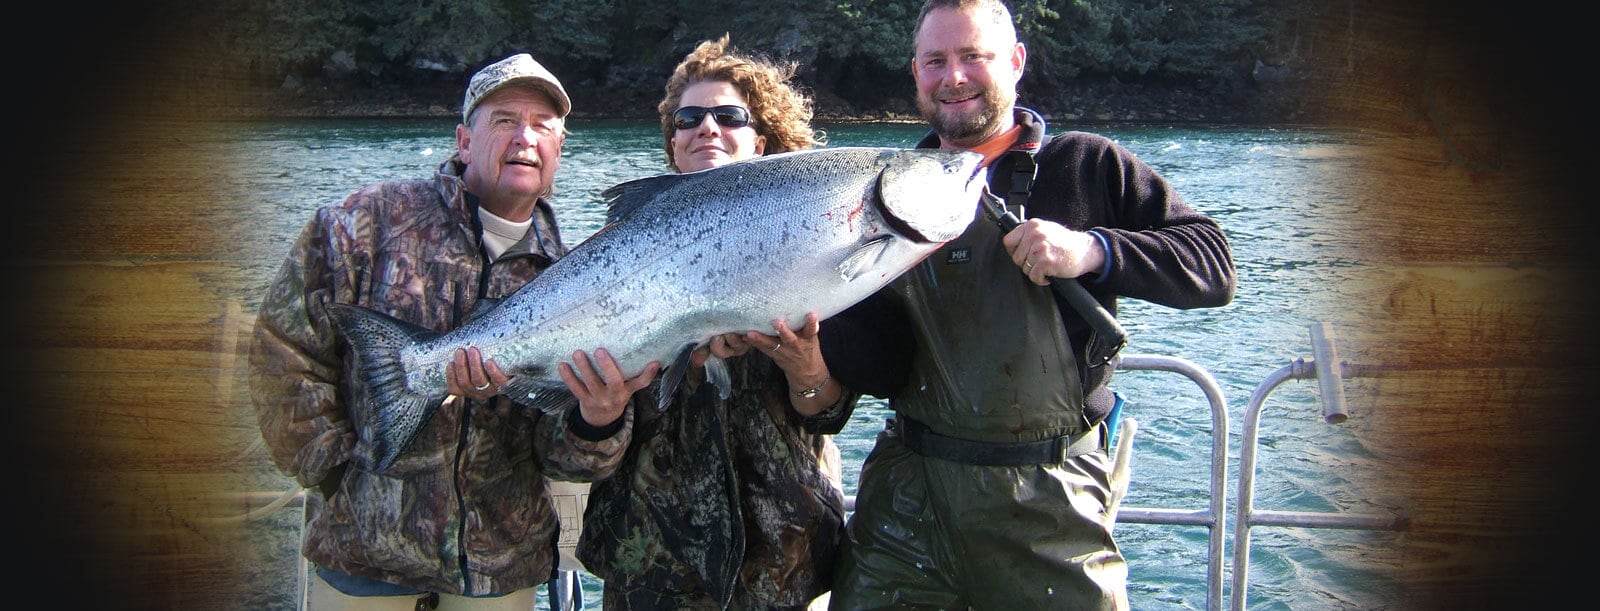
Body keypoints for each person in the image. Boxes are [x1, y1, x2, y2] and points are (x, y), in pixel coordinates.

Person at [811, 1, 1238, 609]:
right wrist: (802, 343)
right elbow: (877, 364)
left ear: (1015, 63)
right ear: (915, 74)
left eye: (973, 57)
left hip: (1051, 501)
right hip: (907, 500)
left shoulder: (1087, 165)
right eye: (936, 61)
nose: (953, 76)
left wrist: (1093, 250)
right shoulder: (874, 195)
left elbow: (1213, 263)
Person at [250, 53, 649, 610]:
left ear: (560, 149)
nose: (524, 138)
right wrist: (339, 475)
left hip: (499, 570)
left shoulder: (580, 273)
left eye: (543, 126)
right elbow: (282, 351)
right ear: (464, 140)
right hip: (364, 558)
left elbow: (560, 455)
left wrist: (598, 418)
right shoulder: (361, 222)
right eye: (504, 120)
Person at [574, 35, 905, 610]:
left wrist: (805, 367)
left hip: (784, 569)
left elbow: (827, 414)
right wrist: (597, 416)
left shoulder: (828, 249)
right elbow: (570, 454)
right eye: (688, 118)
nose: (706, 127)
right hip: (648, 571)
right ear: (672, 141)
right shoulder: (607, 262)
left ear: (762, 139)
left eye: (729, 115)